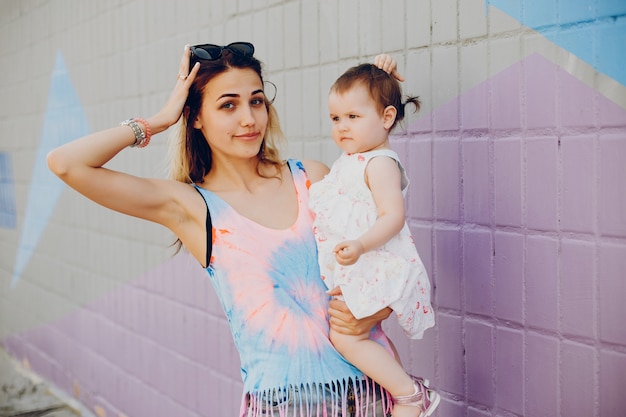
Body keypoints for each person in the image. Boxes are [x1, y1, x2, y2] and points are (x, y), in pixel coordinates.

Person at [47, 42, 409, 417]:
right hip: (287, 406)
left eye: (255, 101)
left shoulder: (312, 178)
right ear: (197, 117)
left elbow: (385, 258)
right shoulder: (192, 207)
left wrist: (376, 311)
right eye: (228, 105)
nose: (249, 119)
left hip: (373, 391)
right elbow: (66, 164)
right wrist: (160, 119)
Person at [308, 63, 439, 417]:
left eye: (353, 115)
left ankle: (410, 395)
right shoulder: (353, 159)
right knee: (369, 336)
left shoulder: (380, 162)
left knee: (346, 337)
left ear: (386, 118)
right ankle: (404, 392)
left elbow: (393, 216)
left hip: (377, 261)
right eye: (336, 118)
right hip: (360, 264)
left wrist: (361, 245)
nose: (342, 126)